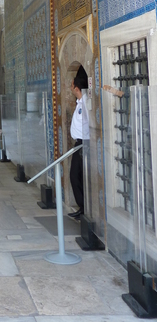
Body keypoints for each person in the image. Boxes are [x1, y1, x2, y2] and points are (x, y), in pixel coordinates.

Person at [68, 74, 89, 219]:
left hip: (84, 144)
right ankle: (83, 207)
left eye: (71, 85)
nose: (70, 87)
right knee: (78, 177)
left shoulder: (86, 103)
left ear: (76, 87)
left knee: (74, 176)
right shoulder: (80, 102)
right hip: (79, 143)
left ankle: (83, 207)